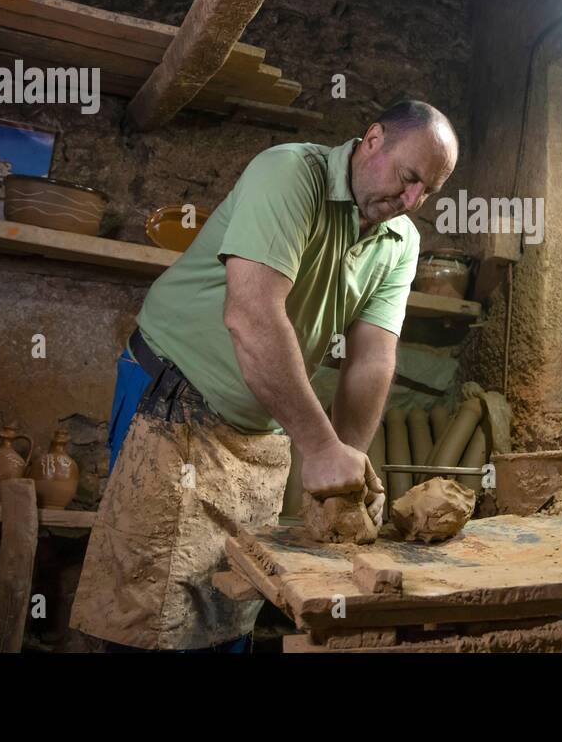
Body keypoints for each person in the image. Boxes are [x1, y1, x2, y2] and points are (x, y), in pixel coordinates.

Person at [70, 99, 458, 651]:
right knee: (150, 611)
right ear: (372, 140)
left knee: (233, 600)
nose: (412, 201)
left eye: (429, 193)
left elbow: (371, 358)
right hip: (175, 392)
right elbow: (251, 315)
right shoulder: (290, 173)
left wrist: (343, 468)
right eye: (408, 177)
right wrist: (319, 448)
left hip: (260, 427)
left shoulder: (402, 242)